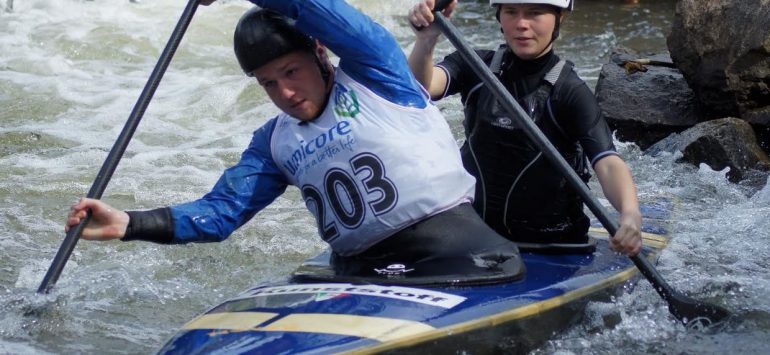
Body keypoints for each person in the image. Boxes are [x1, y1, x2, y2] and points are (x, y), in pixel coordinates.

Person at [66, 0, 525, 282]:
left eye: (291, 72)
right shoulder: (273, 143)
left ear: (320, 54)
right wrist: (129, 223)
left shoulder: (377, 72)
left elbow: (313, 7)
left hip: (460, 256)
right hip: (359, 273)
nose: (284, 93)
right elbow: (221, 213)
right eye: (268, 83)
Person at [407, 0, 643, 256]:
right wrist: (426, 41)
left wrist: (630, 213)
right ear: (499, 16)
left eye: (534, 13)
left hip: (553, 247)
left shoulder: (570, 92)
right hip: (476, 238)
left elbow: (607, 162)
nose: (521, 24)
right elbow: (420, 89)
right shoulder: (475, 65)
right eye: (511, 12)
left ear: (559, 18)